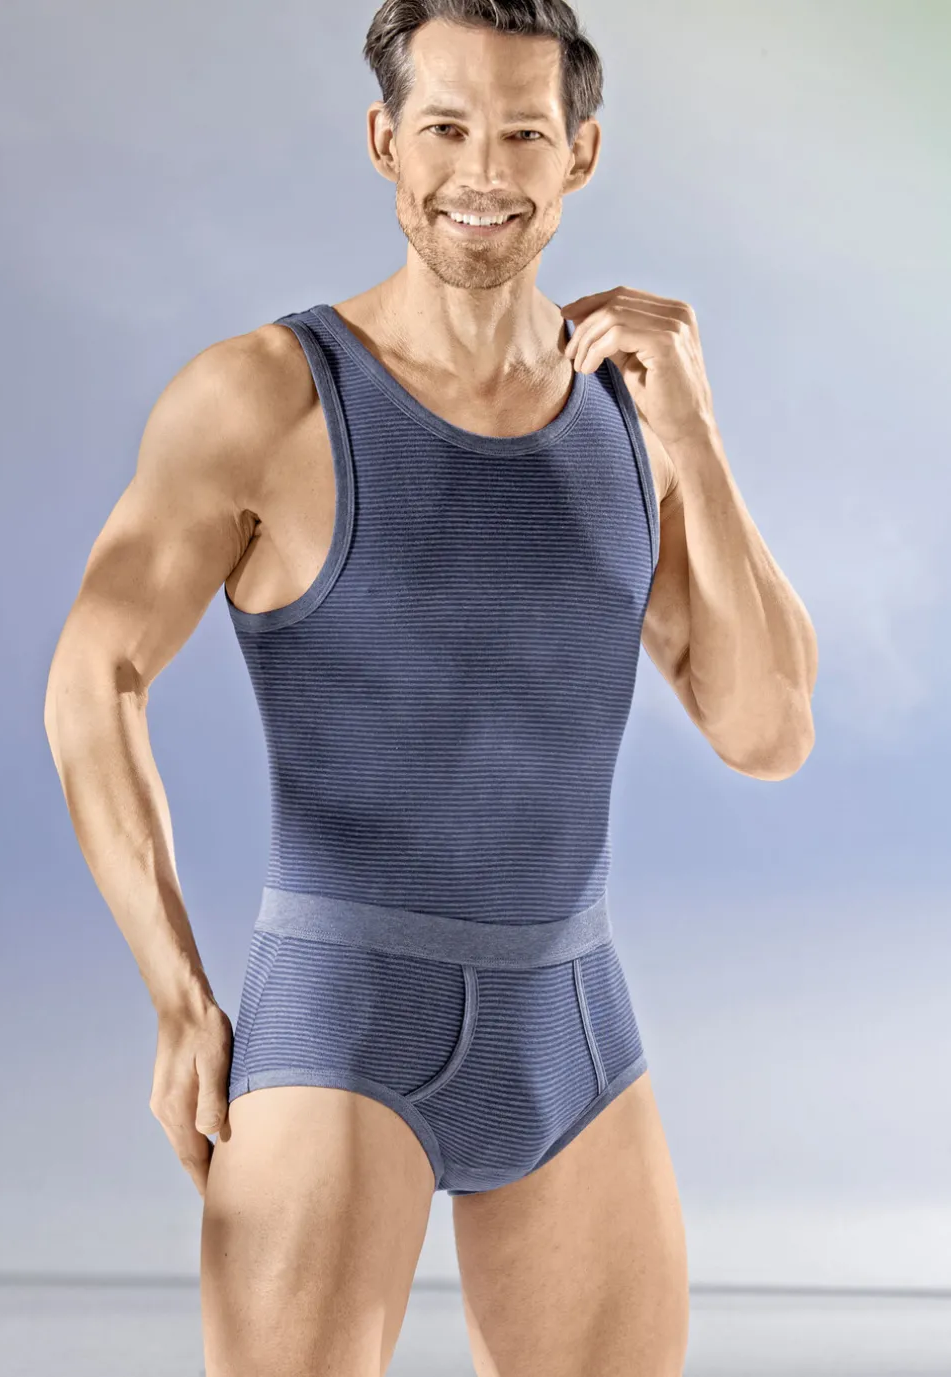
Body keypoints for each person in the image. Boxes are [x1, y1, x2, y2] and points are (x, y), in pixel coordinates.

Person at [44, 2, 818, 1373]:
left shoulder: (634, 414)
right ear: (383, 140)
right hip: (340, 1019)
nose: (482, 171)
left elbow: (767, 734)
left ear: (580, 153)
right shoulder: (264, 398)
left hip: (574, 1029)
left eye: (522, 133)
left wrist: (696, 435)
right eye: (447, 127)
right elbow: (91, 678)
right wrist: (176, 992)